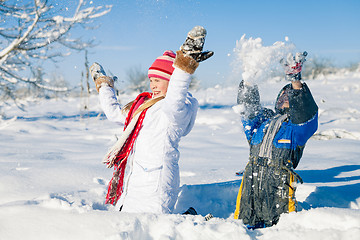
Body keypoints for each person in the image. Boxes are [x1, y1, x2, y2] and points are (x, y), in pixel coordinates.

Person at [90, 26, 213, 214]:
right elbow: (114, 113)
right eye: (151, 80)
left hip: (158, 183)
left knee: (154, 229)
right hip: (135, 181)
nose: (153, 85)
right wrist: (104, 85)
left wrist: (184, 66)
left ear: (171, 81)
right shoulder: (144, 107)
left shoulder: (175, 110)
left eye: (158, 80)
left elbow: (175, 98)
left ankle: (190, 222)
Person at [233, 52, 318, 228]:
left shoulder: (297, 129)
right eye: (283, 94)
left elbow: (305, 114)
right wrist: (249, 79)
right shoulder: (262, 122)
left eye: (291, 95)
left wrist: (296, 81)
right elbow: (248, 110)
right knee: (242, 228)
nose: (286, 96)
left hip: (279, 187)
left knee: (279, 229)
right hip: (250, 183)